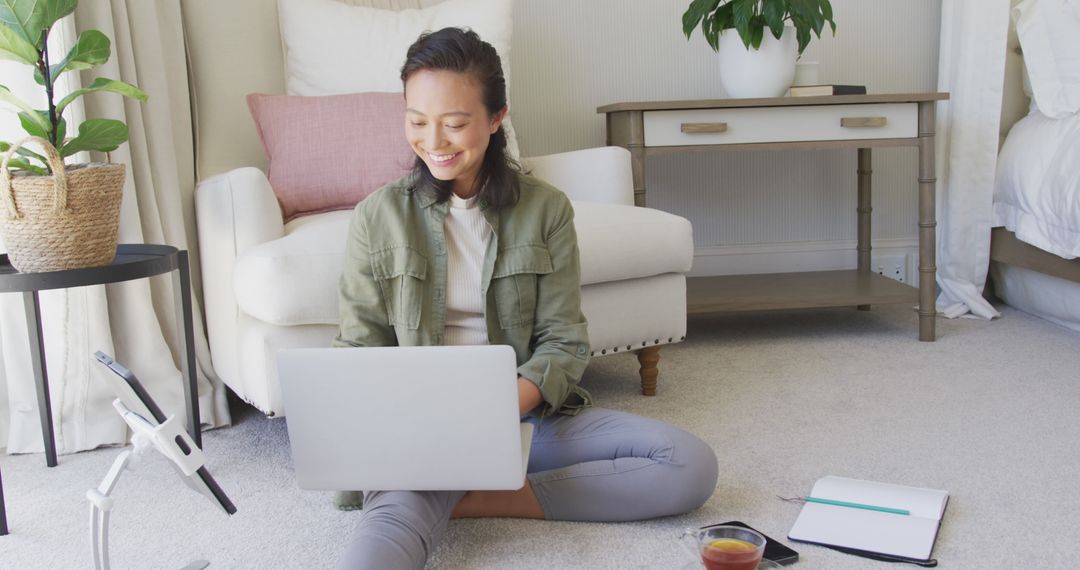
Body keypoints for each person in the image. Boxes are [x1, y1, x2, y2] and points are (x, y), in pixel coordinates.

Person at [333, 27, 719, 569]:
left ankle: (482, 498)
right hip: (425, 436)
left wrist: (497, 410)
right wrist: (403, 431)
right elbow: (359, 347)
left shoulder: (548, 210)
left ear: (496, 119)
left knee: (689, 465)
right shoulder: (377, 217)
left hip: (525, 422)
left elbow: (564, 340)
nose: (434, 141)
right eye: (417, 121)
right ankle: (442, 491)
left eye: (455, 122)